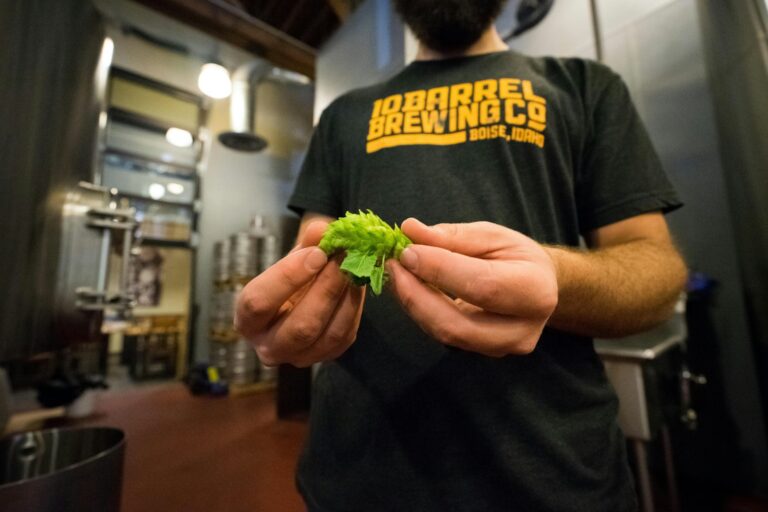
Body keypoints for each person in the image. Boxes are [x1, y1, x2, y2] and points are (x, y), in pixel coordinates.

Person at [235, 0, 687, 509]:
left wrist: (556, 276)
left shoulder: (585, 86)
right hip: (358, 479)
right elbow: (312, 247)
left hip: (555, 479)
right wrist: (287, 312)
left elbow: (655, 268)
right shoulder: (342, 115)